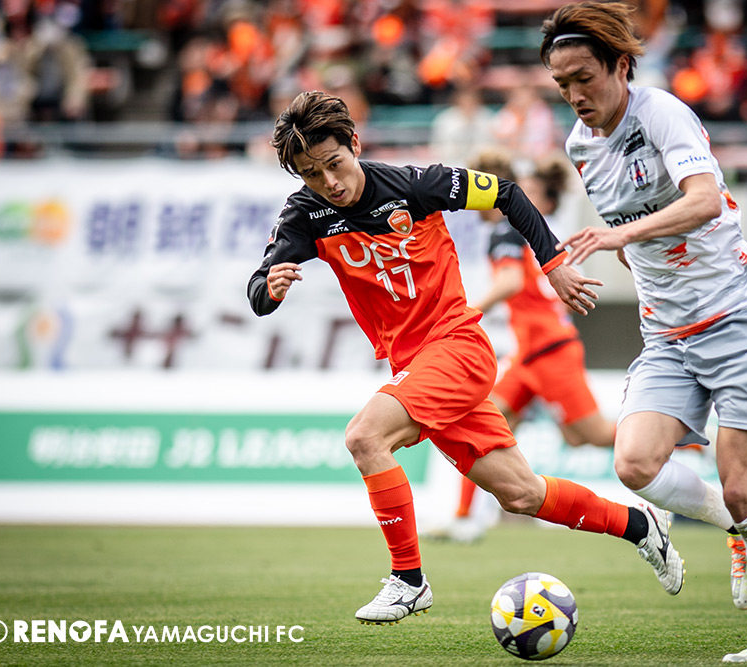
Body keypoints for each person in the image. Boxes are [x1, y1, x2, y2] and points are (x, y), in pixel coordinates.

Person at [247, 90, 685, 625]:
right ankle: (641, 527)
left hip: (457, 348)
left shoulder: (414, 185)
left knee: (365, 436)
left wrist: (553, 265)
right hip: (415, 366)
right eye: (312, 174)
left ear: (354, 144)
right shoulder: (305, 214)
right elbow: (258, 289)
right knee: (521, 494)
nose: (329, 182)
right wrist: (270, 287)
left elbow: (506, 193)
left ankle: (408, 581)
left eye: (334, 163)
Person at [539, 3, 747, 663]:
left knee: (744, 487)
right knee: (633, 463)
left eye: (584, 78)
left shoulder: (661, 112)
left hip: (736, 315)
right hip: (666, 332)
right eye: (562, 84)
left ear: (620, 66)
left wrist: (619, 237)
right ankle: (735, 529)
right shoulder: (579, 146)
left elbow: (705, 199)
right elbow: (642, 242)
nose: (574, 95)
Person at [431, 149, 616, 544]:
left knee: (590, 434)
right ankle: (463, 518)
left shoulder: (506, 229)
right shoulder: (526, 225)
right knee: (482, 423)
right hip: (529, 353)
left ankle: (679, 438)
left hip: (549, 351)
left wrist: (466, 312)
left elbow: (511, 282)